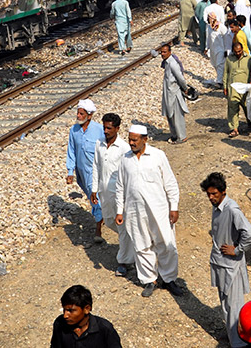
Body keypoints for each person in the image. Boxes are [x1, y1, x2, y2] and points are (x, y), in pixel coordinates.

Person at [115, 125, 182, 298]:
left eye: (134, 140)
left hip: (159, 209)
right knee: (141, 244)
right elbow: (120, 186)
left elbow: (170, 183)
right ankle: (149, 279)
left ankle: (168, 279)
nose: (131, 143)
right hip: (134, 210)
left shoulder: (158, 156)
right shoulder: (125, 159)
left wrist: (174, 207)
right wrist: (119, 210)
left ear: (145, 139)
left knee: (166, 244)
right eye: (129, 139)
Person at [201, 172, 251, 348]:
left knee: (234, 305)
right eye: (209, 194)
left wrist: (237, 249)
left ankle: (239, 343)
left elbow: (250, 234)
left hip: (231, 265)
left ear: (223, 192)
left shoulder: (232, 209)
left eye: (214, 194)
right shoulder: (216, 207)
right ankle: (232, 336)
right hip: (220, 263)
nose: (211, 197)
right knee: (225, 303)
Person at [91, 113, 134, 277]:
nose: (106, 131)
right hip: (103, 192)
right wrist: (94, 189)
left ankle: (123, 261)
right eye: (104, 127)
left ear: (117, 128)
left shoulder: (124, 148)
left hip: (119, 194)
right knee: (108, 220)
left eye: (109, 128)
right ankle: (132, 243)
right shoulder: (99, 144)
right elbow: (96, 166)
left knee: (122, 226)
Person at [67, 99, 106, 242]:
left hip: (94, 172)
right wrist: (70, 172)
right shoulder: (74, 130)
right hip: (81, 173)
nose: (78, 116)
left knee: (95, 199)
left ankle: (98, 231)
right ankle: (104, 216)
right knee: (94, 196)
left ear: (89, 116)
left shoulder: (99, 130)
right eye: (77, 113)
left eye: (81, 114)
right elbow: (71, 150)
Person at [49, 284, 121, 348]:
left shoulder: (104, 329)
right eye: (64, 310)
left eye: (71, 311)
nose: (65, 315)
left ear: (86, 309)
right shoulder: (60, 324)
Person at [160, 44, 189, 143]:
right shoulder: (167, 62)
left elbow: (180, 77)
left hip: (174, 93)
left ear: (169, 52)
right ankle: (174, 135)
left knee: (177, 115)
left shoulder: (172, 63)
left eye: (164, 52)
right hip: (169, 93)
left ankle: (182, 136)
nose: (162, 54)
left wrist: (185, 88)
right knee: (170, 115)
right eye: (161, 52)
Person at [224, 41, 251, 138]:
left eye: (239, 51)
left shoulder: (248, 59)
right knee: (232, 109)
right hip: (233, 89)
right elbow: (226, 74)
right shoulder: (229, 59)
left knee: (247, 108)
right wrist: (225, 87)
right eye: (236, 51)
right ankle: (234, 128)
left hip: (245, 89)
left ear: (242, 50)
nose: (238, 53)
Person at [206, 13, 228, 87]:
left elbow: (226, 37)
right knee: (214, 63)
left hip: (220, 48)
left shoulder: (221, 27)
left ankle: (220, 81)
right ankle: (220, 78)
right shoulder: (209, 27)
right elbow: (208, 37)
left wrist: (226, 49)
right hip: (213, 49)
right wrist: (207, 47)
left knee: (220, 64)